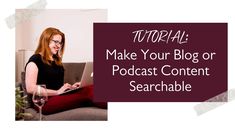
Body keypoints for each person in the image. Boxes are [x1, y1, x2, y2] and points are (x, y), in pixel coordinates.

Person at [25, 27, 106, 115]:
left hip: (58, 97)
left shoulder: (56, 61)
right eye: (56, 41)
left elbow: (57, 86)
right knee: (87, 92)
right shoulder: (35, 60)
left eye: (60, 43)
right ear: (45, 40)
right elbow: (30, 88)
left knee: (91, 87)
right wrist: (57, 92)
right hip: (44, 102)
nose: (59, 46)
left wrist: (71, 88)